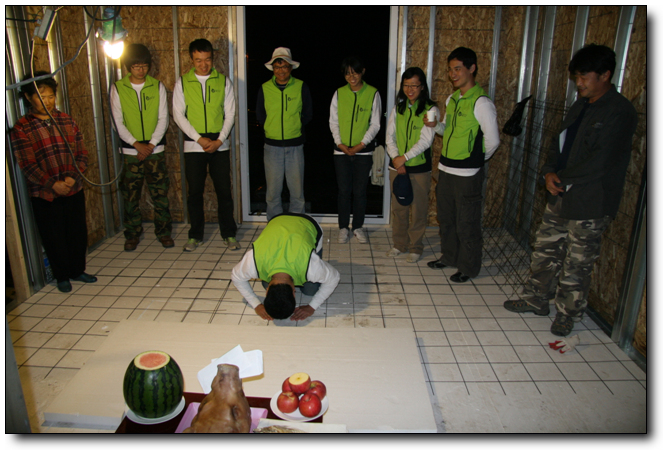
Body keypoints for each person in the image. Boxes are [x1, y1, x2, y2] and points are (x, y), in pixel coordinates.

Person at [503, 44, 638, 336]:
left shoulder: (619, 111)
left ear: (605, 75)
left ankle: (567, 314)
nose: (579, 83)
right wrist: (548, 171)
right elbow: (558, 143)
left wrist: (560, 177)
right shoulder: (580, 105)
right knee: (545, 249)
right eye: (577, 77)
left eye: (584, 77)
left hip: (590, 201)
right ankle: (536, 299)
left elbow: (602, 161)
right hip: (560, 193)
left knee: (577, 262)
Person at [10, 71, 97, 293]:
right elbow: (27, 164)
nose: (47, 101)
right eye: (41, 97)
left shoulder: (66, 120)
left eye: (50, 96)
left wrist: (72, 177)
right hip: (45, 193)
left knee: (76, 232)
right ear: (29, 97)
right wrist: (52, 184)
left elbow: (82, 153)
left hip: (72, 187)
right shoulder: (22, 127)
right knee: (53, 235)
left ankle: (77, 270)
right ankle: (62, 276)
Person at [425, 47, 500, 283]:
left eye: (457, 69)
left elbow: (493, 141)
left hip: (468, 174)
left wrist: (476, 160)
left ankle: (468, 267)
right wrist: (435, 126)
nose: (453, 74)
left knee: (466, 223)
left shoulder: (481, 103)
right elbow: (446, 130)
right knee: (446, 219)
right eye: (450, 70)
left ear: (472, 68)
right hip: (446, 169)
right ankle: (450, 257)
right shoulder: (453, 99)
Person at [173, 38, 239, 252]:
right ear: (192, 60)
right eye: (198, 60)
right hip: (194, 146)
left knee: (224, 192)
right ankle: (195, 235)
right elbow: (178, 115)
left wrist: (219, 140)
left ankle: (229, 233)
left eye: (207, 59)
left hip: (220, 145)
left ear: (213, 58)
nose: (203, 64)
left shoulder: (224, 82)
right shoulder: (182, 82)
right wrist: (199, 139)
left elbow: (230, 113)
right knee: (194, 193)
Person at [111, 43, 173, 252]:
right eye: (136, 66)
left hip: (155, 150)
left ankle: (164, 232)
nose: (141, 70)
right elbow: (117, 121)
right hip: (130, 151)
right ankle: (132, 234)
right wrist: (136, 144)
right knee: (130, 195)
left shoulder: (157, 86)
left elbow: (163, 118)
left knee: (160, 194)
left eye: (144, 65)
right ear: (128, 67)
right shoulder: (118, 88)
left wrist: (151, 144)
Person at [231, 213, 340, 321]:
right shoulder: (253, 262)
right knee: (266, 284)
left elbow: (334, 277)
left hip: (307, 222)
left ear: (294, 292)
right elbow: (236, 277)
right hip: (277, 221)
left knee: (310, 291)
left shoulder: (310, 265)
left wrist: (312, 306)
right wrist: (256, 304)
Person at [385, 67, 439, 263]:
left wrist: (404, 158)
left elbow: (426, 140)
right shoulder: (398, 108)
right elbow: (389, 137)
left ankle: (416, 247)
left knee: (418, 210)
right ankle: (399, 244)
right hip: (397, 167)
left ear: (422, 87)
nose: (410, 89)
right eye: (406, 85)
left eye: (414, 85)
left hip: (419, 169)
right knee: (399, 208)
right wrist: (396, 158)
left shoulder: (430, 109)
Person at [329, 56, 382, 245]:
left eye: (355, 72)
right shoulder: (339, 93)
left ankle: (358, 226)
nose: (352, 77)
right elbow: (333, 121)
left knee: (360, 192)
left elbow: (375, 124)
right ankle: (343, 227)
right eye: (347, 73)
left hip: (363, 152)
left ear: (362, 72)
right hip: (341, 152)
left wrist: (361, 145)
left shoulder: (373, 93)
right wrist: (340, 143)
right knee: (344, 191)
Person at [256, 47, 312, 220]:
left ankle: (297, 226)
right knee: (273, 193)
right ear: (273, 69)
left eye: (285, 66)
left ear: (291, 67)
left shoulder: (301, 86)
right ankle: (274, 225)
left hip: (295, 146)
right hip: (272, 147)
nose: (281, 70)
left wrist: (294, 126)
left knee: (297, 193)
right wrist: (272, 129)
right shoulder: (265, 88)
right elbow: (260, 115)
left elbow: (308, 113)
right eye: (277, 67)